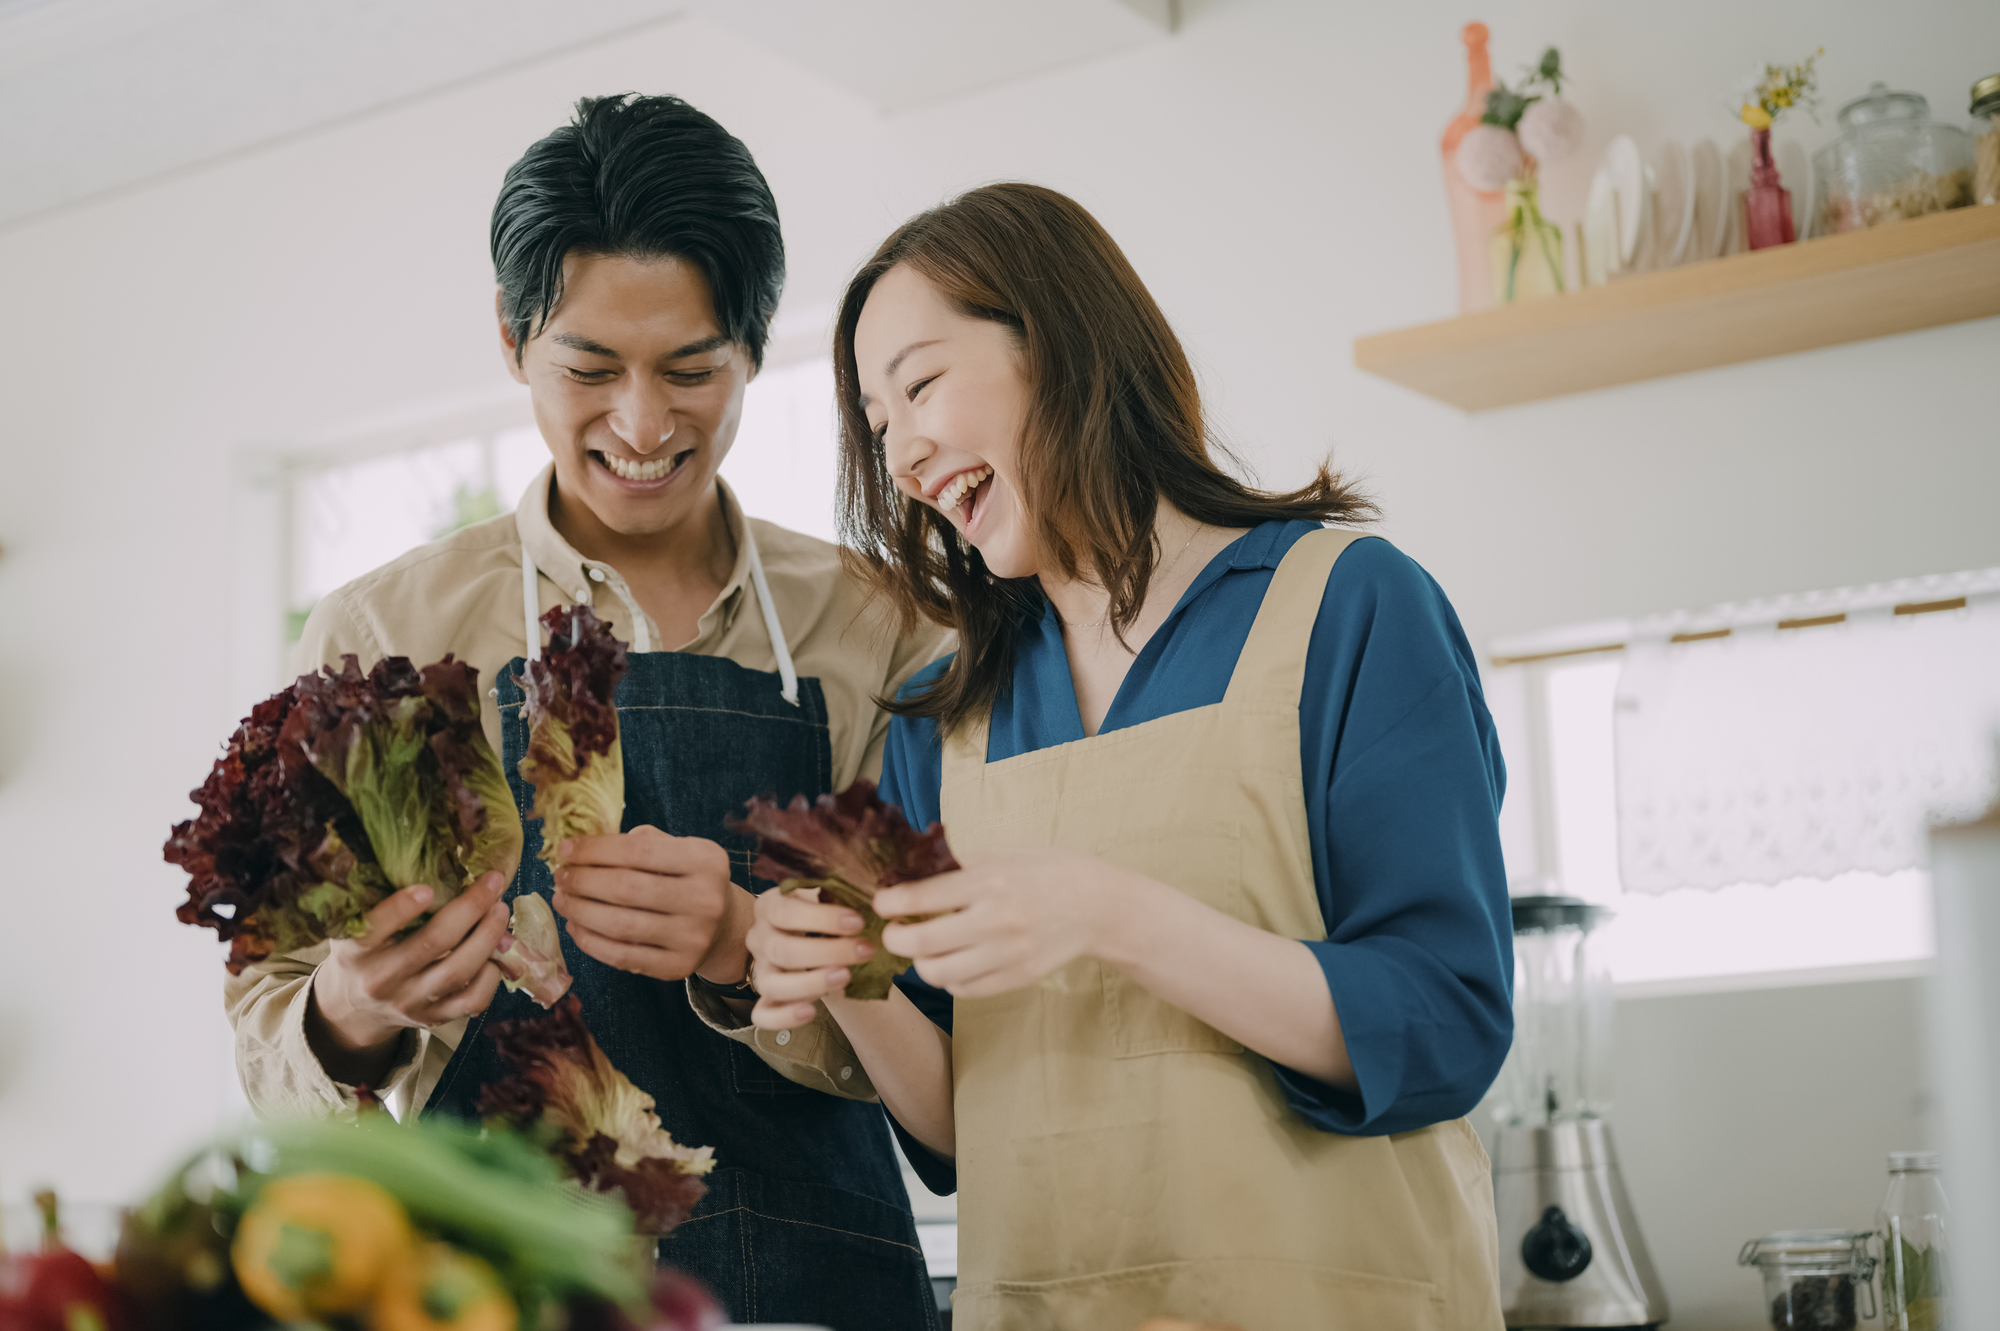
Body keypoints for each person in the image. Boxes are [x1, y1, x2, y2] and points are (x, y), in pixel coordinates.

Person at [224, 94, 949, 1331]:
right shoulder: (382, 634)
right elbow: (271, 1033)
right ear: (513, 341)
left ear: (754, 350)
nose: (642, 424)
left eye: (690, 368)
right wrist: (355, 1006)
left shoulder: (880, 627)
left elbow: (943, 1033)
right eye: (589, 368)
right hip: (491, 1285)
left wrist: (746, 942)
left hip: (816, 1284)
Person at [741, 182, 1515, 1330]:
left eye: (918, 384)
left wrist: (1111, 913)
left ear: (1056, 342)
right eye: (873, 419)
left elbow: (1442, 1019)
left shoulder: (1347, 608)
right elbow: (964, 1120)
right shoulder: (934, 719)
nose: (897, 453)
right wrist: (844, 978)